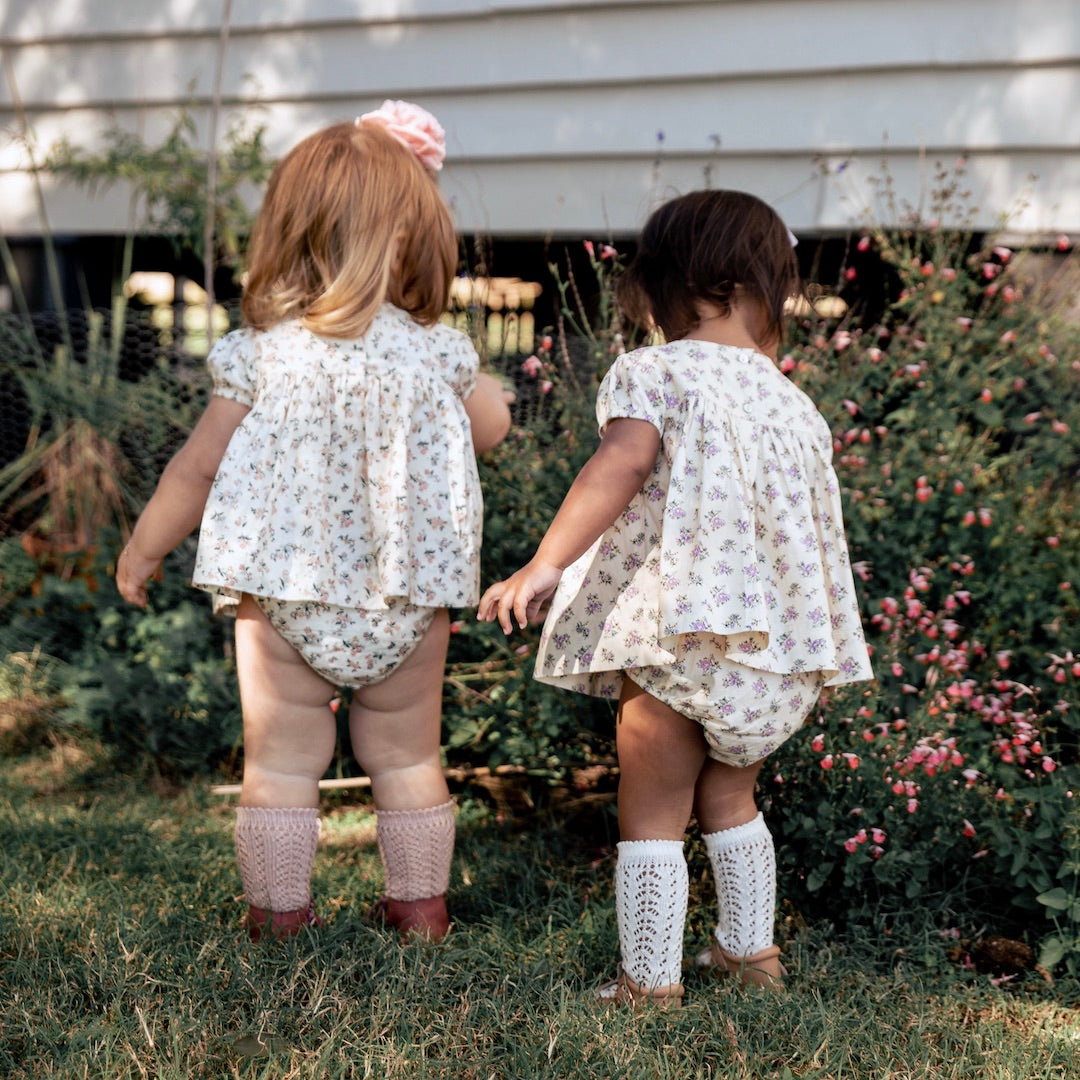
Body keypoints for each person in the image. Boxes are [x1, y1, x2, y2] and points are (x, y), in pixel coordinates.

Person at [116, 101, 512, 943]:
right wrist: (472, 381)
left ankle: (278, 917)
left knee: (281, 761)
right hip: (407, 598)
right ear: (416, 237)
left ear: (291, 234)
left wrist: (144, 548)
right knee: (406, 756)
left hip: (283, 594)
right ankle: (419, 910)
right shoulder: (436, 351)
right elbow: (493, 429)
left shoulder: (260, 351)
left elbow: (197, 467)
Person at [478, 189, 873, 1005]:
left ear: (670, 286)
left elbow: (619, 466)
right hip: (776, 653)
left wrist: (546, 564)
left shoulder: (657, 372)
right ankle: (751, 956)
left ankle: (649, 981)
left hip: (678, 638)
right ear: (767, 287)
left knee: (652, 811)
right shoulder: (794, 405)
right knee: (733, 796)